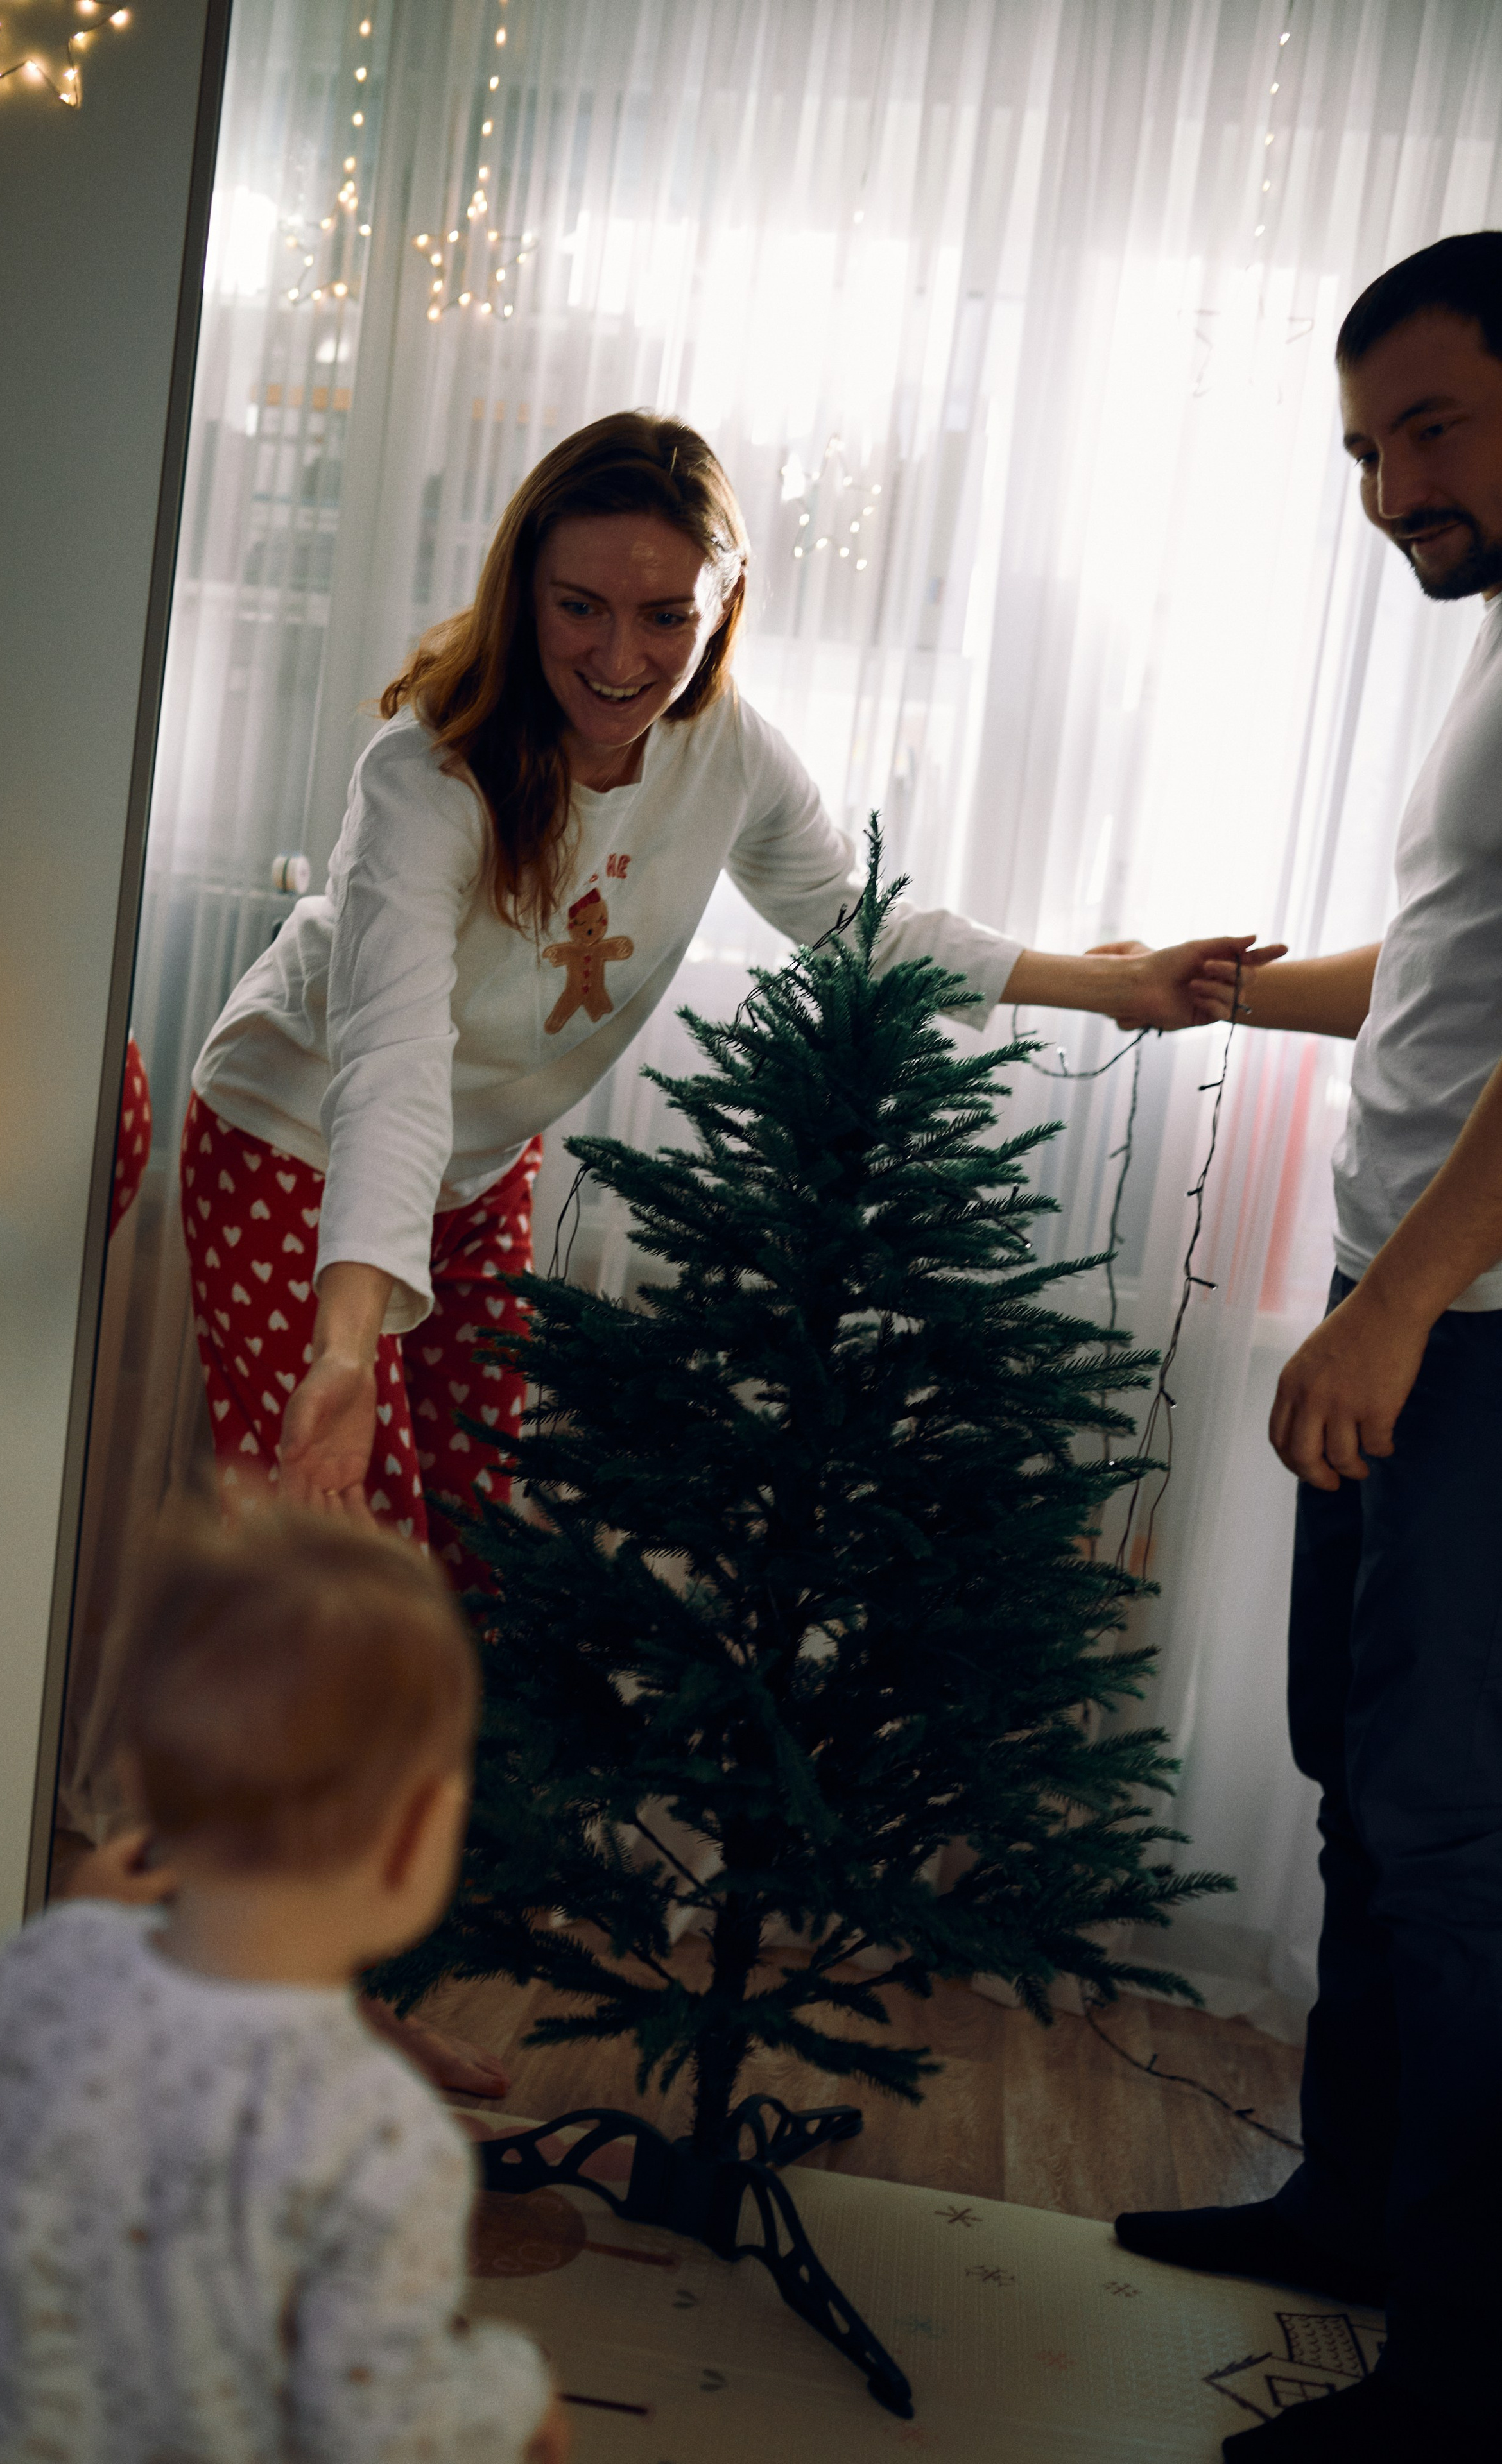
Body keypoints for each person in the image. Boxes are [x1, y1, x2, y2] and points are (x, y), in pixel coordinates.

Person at [182, 407, 1281, 2092]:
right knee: (340, 1581)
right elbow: (387, 1067)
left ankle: (334, 1987)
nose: (621, 657)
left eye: (664, 614)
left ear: (722, 601)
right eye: (578, 609)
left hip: (478, 1169)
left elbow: (864, 922)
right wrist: (345, 1354)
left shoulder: (731, 755)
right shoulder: (429, 776)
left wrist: (1104, 977)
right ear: (521, 589)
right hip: (296, 1149)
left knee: (464, 1570)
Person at [1116, 234, 1502, 2462]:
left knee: (1452, 1843)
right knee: (1368, 1803)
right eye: (1365, 450)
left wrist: (1401, 1299)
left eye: (1431, 428)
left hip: (1475, 1336)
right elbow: (1462, 973)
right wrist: (1236, 990)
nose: (1388, 493)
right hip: (1420, 1310)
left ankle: (1456, 2368)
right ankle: (1353, 2212)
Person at [0, 1511, 570, 2464]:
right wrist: (513, 2394)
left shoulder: (54, 1974)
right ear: (417, 1837)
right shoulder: (385, 2131)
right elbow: (376, 2427)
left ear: (138, 1788)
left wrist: (82, 1923)